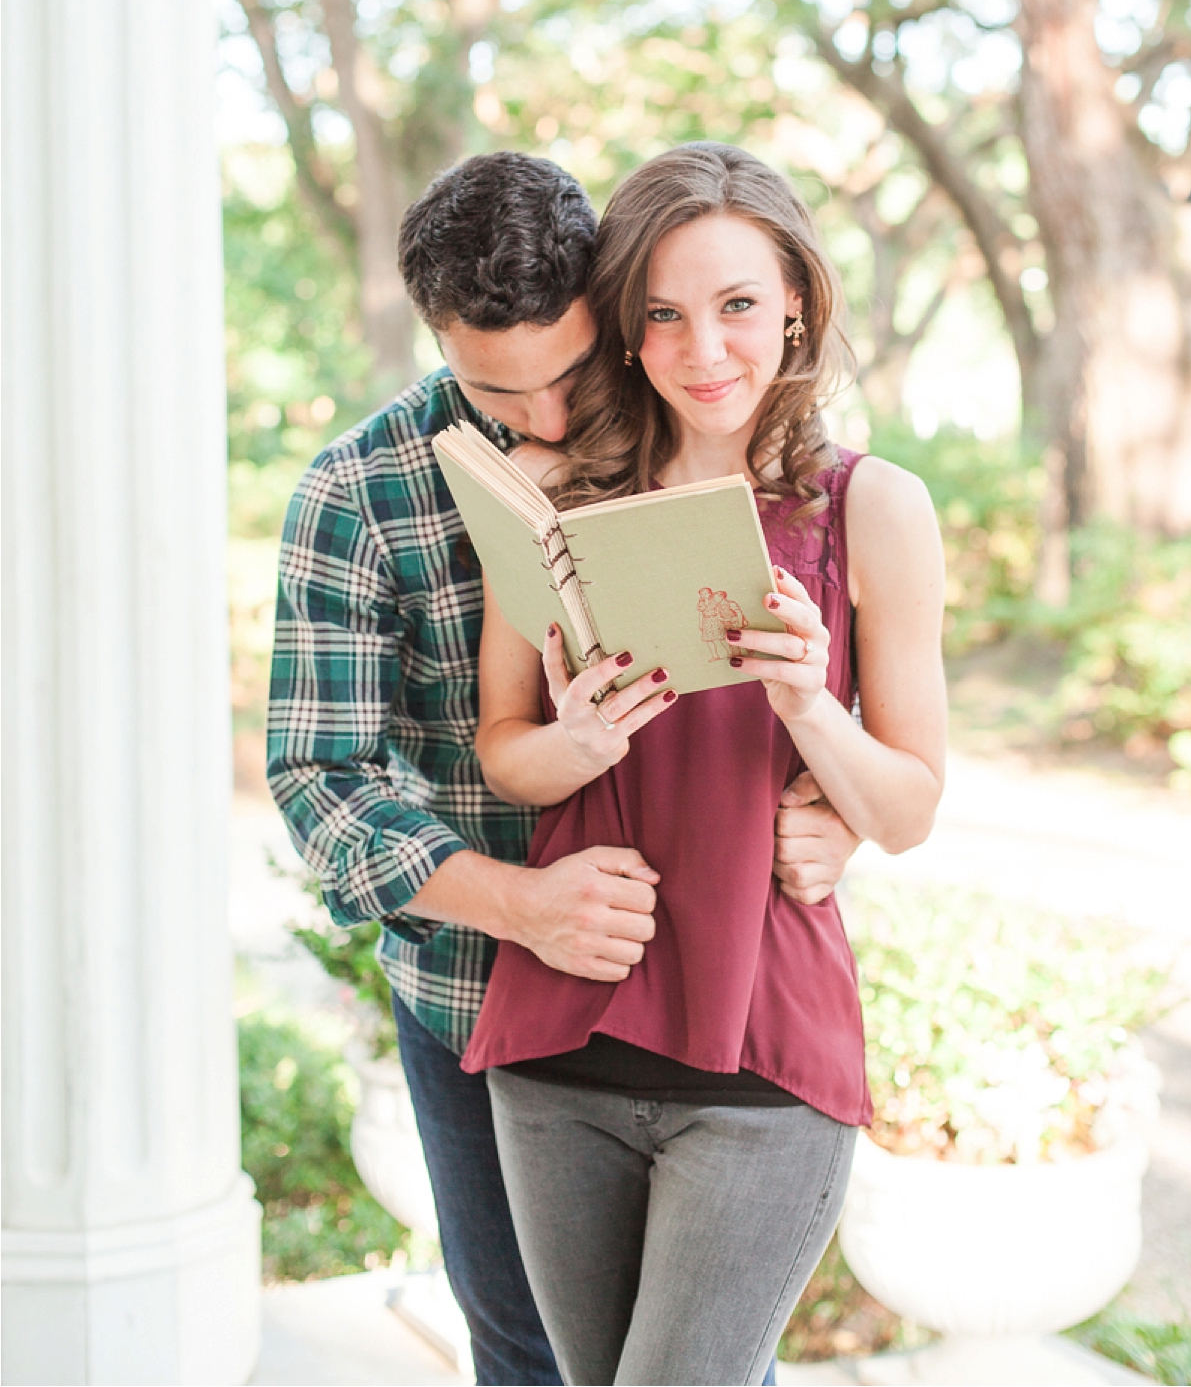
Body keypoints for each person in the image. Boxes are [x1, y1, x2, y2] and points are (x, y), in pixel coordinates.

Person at [267, 150, 863, 1387]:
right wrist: (520, 901)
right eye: (498, 388)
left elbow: (832, 662)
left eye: (570, 372)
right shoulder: (355, 492)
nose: (544, 419)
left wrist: (835, 807)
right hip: (479, 995)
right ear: (436, 336)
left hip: (706, 989)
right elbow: (319, 782)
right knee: (528, 1355)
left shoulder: (700, 437)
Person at [460, 143, 947, 1386]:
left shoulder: (870, 508)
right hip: (558, 1043)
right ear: (627, 327)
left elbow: (908, 807)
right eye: (665, 314)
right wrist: (577, 742)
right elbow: (504, 751)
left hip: (762, 1057)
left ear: (797, 302)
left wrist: (808, 705)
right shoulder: (551, 491)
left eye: (737, 305)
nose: (704, 348)